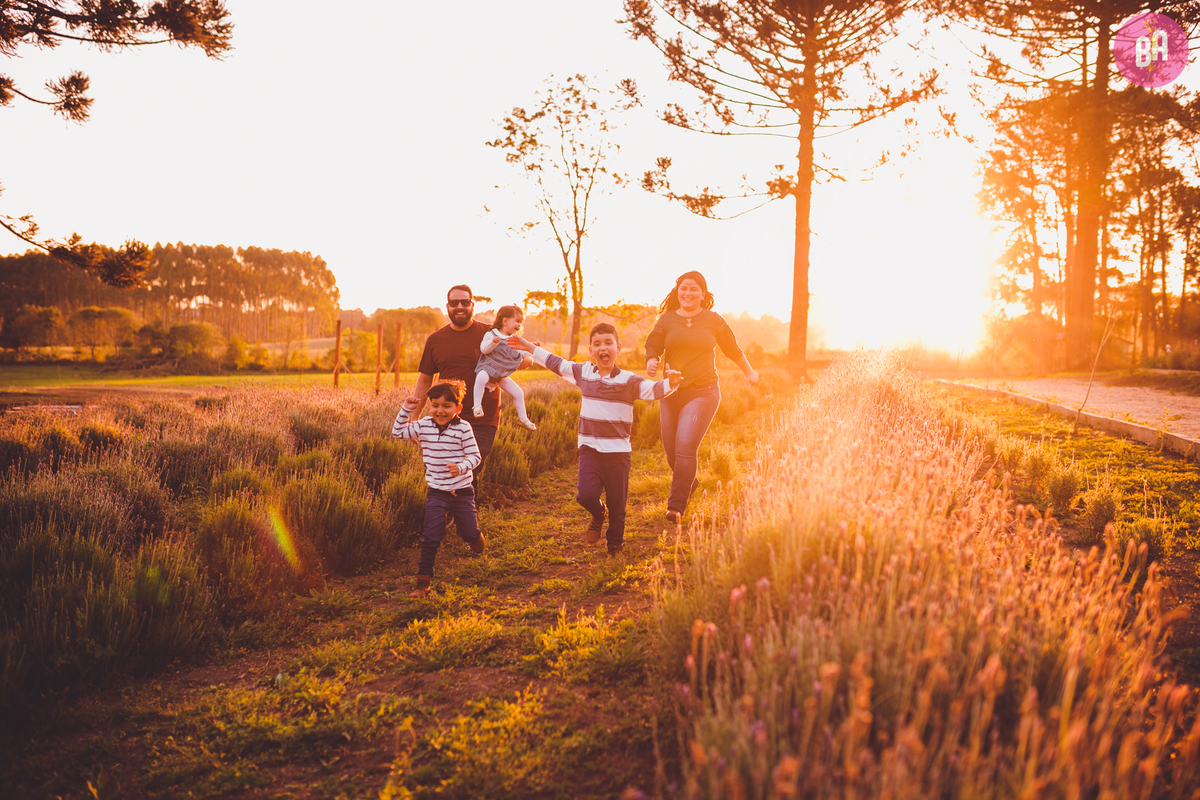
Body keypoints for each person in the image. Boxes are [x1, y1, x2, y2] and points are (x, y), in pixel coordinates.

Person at [509, 323, 681, 555]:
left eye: (608, 343)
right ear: (591, 350)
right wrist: (529, 347)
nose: (603, 348)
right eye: (597, 344)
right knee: (586, 495)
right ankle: (599, 514)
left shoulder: (628, 381)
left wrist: (672, 383)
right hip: (590, 448)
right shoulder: (584, 373)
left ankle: (614, 544)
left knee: (617, 503)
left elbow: (652, 389)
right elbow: (556, 363)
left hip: (618, 452)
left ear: (617, 347)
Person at [644, 271, 758, 525]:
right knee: (672, 453)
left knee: (685, 446)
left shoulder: (713, 321)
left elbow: (732, 349)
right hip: (670, 392)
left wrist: (749, 372)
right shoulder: (667, 320)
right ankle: (689, 481)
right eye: (684, 288)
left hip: (704, 391)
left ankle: (676, 506)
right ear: (677, 291)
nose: (688, 293)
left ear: (703, 294)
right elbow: (653, 344)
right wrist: (652, 360)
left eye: (694, 289)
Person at [411, 285, 532, 495]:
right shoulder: (435, 340)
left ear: (472, 305)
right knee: (447, 471)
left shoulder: (490, 333)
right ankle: (461, 520)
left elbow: (527, 359)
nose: (460, 307)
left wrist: (508, 363)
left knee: (468, 470)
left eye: (465, 303)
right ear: (447, 306)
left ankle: (460, 521)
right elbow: (424, 381)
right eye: (455, 303)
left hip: (482, 417)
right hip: (445, 418)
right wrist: (414, 418)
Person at [391, 379, 484, 598]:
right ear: (430, 405)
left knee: (469, 532)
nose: (440, 410)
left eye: (446, 406)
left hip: (461, 491)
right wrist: (406, 409)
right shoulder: (423, 425)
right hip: (436, 491)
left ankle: (475, 538)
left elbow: (475, 456)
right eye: (435, 405)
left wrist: (461, 467)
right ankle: (422, 584)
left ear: (457, 408)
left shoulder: (464, 428)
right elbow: (397, 432)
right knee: (431, 536)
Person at [473, 304, 536, 431]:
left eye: (521, 322)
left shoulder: (513, 340)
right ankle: (477, 407)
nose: (519, 325)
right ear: (505, 321)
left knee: (518, 393)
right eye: (517, 321)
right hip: (487, 368)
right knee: (480, 377)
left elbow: (520, 354)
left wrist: (531, 348)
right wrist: (493, 343)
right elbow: (484, 350)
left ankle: (523, 419)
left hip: (500, 374)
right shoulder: (492, 334)